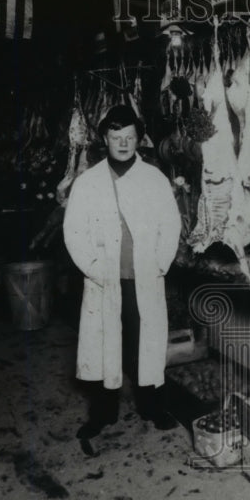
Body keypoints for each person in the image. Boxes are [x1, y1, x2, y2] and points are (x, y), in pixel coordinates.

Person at [63, 105, 182, 453]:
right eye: (117, 138)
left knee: (144, 343)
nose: (124, 144)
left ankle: (152, 407)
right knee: (104, 345)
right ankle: (103, 414)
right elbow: (73, 231)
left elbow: (170, 224)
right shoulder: (88, 183)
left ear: (138, 138)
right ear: (105, 139)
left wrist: (160, 262)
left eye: (130, 137)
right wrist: (94, 266)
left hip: (143, 276)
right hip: (105, 277)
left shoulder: (154, 179)